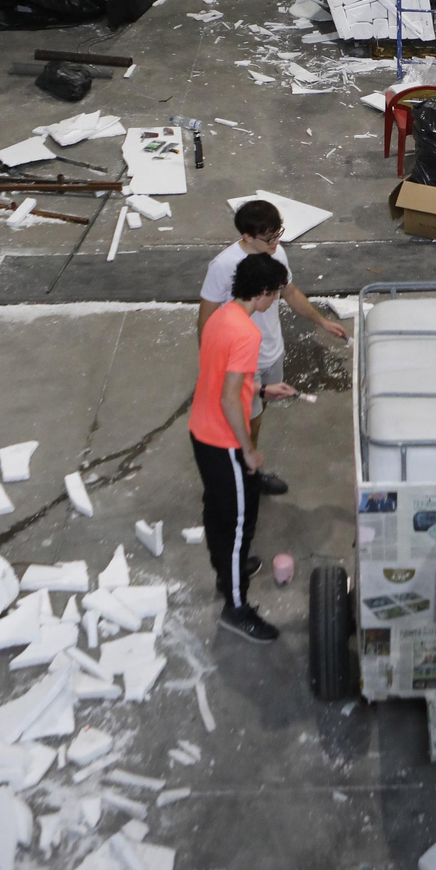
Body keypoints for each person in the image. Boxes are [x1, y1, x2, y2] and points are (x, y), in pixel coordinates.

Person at [198, 199, 349, 496]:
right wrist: (210, 364)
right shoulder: (223, 266)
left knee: (258, 410)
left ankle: (245, 464)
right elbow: (206, 318)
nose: (276, 242)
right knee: (245, 418)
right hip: (240, 360)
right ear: (247, 237)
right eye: (269, 237)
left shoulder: (276, 253)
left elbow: (290, 292)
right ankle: (246, 473)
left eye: (278, 233)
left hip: (270, 350)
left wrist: (321, 321)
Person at [189, 251, 294, 642]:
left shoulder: (221, 316)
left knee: (216, 511)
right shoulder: (249, 333)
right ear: (263, 293)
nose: (275, 301)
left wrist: (263, 389)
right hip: (224, 440)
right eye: (276, 295)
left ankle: (226, 573)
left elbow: (220, 377)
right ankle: (236, 608)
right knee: (238, 525)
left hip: (200, 432)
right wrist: (248, 448)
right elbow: (231, 399)